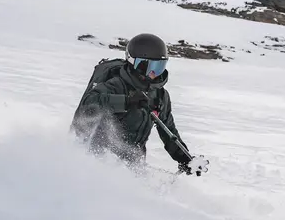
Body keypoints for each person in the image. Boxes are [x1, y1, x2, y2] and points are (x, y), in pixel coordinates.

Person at [71, 33, 208, 175]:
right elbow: (89, 104)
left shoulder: (160, 96)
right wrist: (126, 101)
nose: (154, 73)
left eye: (160, 67)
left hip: (134, 165)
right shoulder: (117, 85)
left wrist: (184, 159)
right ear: (135, 64)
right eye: (150, 67)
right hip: (98, 161)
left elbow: (168, 131)